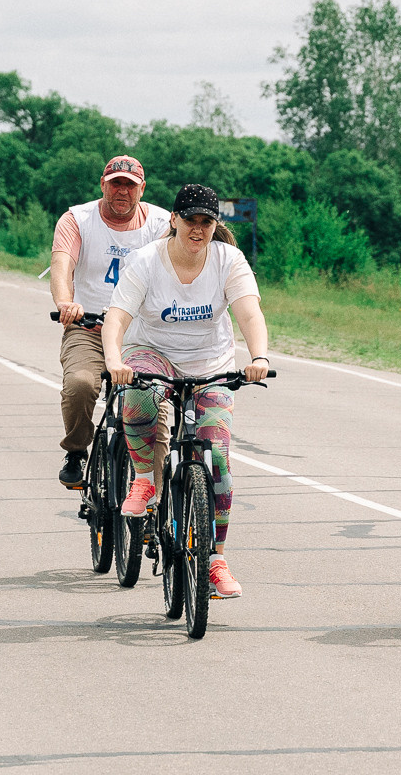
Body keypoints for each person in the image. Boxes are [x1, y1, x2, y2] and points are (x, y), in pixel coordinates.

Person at [100, 183, 270, 600]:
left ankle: (215, 560)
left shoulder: (228, 260)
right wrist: (114, 361)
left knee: (219, 464)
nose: (198, 229)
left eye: (206, 221)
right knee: (136, 398)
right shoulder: (146, 261)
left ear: (215, 225)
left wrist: (259, 357)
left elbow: (249, 312)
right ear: (173, 220)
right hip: (152, 352)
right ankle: (143, 479)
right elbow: (117, 318)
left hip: (210, 363)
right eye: (190, 220)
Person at [49, 156, 169, 489]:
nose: (122, 191)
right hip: (88, 325)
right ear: (103, 184)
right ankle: (76, 449)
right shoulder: (77, 219)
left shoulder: (160, 225)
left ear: (141, 189)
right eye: (115, 183)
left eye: (129, 186)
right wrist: (65, 303)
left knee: (152, 408)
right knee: (81, 385)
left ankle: (154, 499)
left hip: (139, 334)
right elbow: (62, 266)